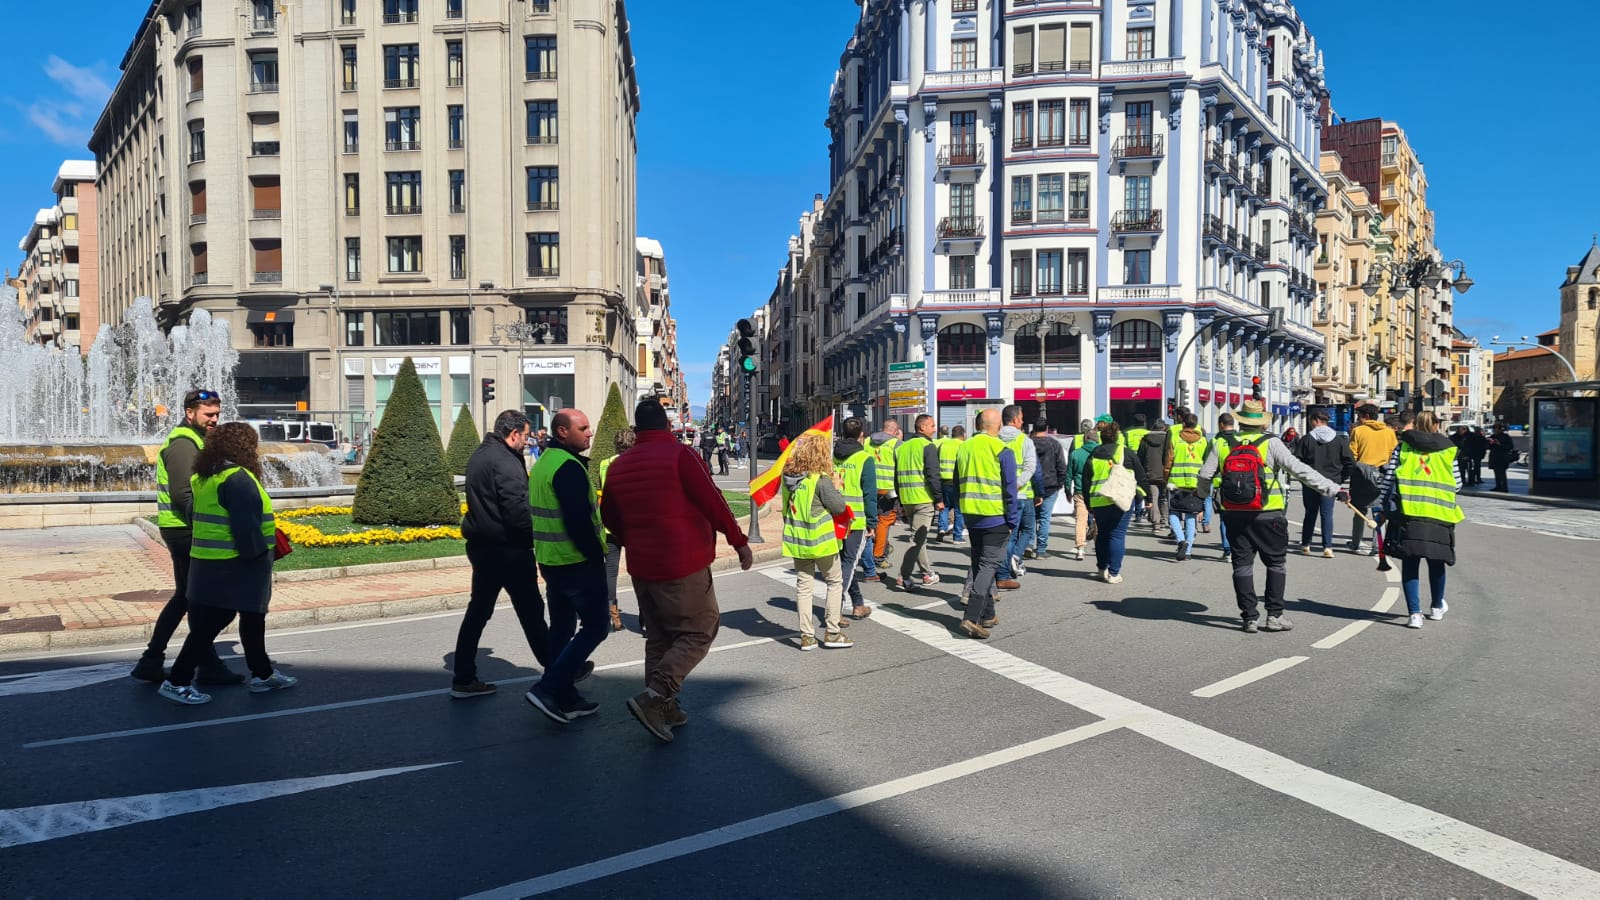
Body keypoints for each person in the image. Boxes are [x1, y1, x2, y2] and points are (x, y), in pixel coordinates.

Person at [601, 399, 752, 743]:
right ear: (667, 426)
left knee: (658, 637)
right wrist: (738, 540)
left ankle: (664, 707)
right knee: (701, 629)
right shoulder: (682, 456)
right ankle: (655, 698)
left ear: (638, 430)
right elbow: (713, 500)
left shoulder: (618, 466)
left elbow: (609, 516)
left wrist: (634, 539)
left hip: (642, 565)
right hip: (682, 562)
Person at [158, 423, 295, 705]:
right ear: (244, 447)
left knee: (251, 617)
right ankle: (178, 680)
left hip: (209, 560)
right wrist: (260, 556)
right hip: (238, 562)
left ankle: (262, 674)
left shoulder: (206, 477)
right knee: (216, 622)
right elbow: (246, 528)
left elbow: (198, 515)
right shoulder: (238, 478)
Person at [1198, 399, 1348, 633]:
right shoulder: (1271, 443)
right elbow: (1299, 470)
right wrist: (1333, 489)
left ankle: (1249, 618)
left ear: (1241, 421)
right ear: (1262, 423)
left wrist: (1206, 498)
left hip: (1235, 513)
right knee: (1276, 564)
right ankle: (1274, 616)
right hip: (1269, 513)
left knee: (1242, 566)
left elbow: (1205, 475)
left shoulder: (1222, 442)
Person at [134, 389, 246, 685]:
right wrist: (210, 523)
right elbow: (184, 494)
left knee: (189, 596)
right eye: (209, 414)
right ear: (190, 413)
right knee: (199, 598)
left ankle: (154, 659)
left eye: (217, 414)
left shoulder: (196, 440)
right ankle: (198, 664)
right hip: (184, 530)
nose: (214, 419)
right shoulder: (184, 444)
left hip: (184, 528)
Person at [452, 410, 557, 698]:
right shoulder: (506, 461)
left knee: (479, 611)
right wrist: (533, 537)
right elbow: (517, 510)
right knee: (531, 610)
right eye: (525, 435)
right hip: (508, 547)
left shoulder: (480, 455)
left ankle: (463, 675)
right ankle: (559, 671)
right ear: (513, 435)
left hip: (482, 545)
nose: (527, 440)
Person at [525, 408, 610, 723]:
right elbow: (578, 523)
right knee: (596, 627)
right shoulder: (568, 467)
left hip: (551, 560)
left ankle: (565, 696)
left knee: (562, 629)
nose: (590, 433)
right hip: (576, 563)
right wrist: (594, 557)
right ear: (563, 432)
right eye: (583, 428)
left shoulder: (545, 463)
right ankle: (549, 688)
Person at [1376, 412, 1463, 629]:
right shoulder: (1448, 450)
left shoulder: (1403, 447)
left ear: (1415, 425)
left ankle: (1414, 614)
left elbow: (1388, 479)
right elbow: (1458, 484)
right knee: (1436, 561)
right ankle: (1436, 607)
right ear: (1435, 426)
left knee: (1410, 562)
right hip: (1439, 514)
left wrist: (1379, 506)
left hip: (1409, 513)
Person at [781, 433, 852, 651]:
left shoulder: (790, 479)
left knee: (804, 587)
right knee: (834, 582)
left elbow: (785, 509)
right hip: (821, 543)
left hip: (798, 541)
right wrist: (837, 486)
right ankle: (832, 632)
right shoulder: (820, 480)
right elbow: (838, 507)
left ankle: (807, 637)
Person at [954, 409, 1017, 639]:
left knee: (979, 561)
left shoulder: (964, 447)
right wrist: (1012, 519)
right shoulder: (1002, 449)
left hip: (971, 513)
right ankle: (971, 616)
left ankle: (988, 614)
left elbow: (956, 481)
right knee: (988, 565)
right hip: (995, 515)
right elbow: (1010, 488)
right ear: (997, 426)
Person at [1080, 420, 1147, 583]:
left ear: (1101, 438)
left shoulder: (1093, 454)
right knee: (1117, 535)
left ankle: (1101, 568)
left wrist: (1088, 504)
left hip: (1098, 500)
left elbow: (1086, 481)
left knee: (1102, 534)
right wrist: (1146, 497)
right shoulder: (1125, 453)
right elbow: (1141, 475)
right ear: (1117, 437)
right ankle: (1114, 573)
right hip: (1120, 499)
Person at [892, 414, 944, 590]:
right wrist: (939, 498)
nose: (934, 429)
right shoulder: (927, 446)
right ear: (922, 428)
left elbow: (896, 477)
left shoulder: (902, 448)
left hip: (907, 498)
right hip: (923, 498)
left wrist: (899, 498)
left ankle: (926, 573)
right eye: (931, 425)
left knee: (919, 538)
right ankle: (905, 576)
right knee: (917, 539)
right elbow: (933, 474)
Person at [833, 417, 878, 619]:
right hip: (855, 520)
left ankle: (858, 603)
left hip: (834, 517)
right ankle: (835, 608)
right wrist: (872, 522)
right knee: (849, 564)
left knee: (843, 562)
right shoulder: (864, 459)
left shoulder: (833, 456)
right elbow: (869, 494)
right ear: (862, 435)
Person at [1294, 409, 1353, 558]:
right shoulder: (1339, 440)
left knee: (1310, 513)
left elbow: (1296, 461)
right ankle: (1327, 547)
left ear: (1314, 421)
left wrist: (1303, 477)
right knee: (1327, 514)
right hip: (1331, 482)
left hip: (1310, 482)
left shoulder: (1307, 439)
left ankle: (1306, 544)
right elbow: (1350, 462)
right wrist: (1340, 479)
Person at [996, 405, 1038, 590]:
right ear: (1014, 420)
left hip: (1001, 494)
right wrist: (1017, 484)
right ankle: (1015, 557)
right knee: (1028, 529)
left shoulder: (995, 438)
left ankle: (1005, 568)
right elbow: (1030, 468)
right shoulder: (1025, 440)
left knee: (1008, 535)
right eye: (1021, 418)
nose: (1022, 421)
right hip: (1022, 494)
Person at [599, 427, 636, 632]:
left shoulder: (605, 464)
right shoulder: (636, 462)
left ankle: (613, 617)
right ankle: (645, 620)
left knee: (610, 571)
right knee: (639, 571)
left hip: (610, 524)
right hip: (632, 525)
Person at [1348, 404, 1398, 554]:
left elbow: (1353, 455)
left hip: (1361, 475)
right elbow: (1393, 453)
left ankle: (1355, 543)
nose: (1358, 418)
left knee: (1359, 510)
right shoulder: (1389, 433)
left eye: (1359, 416)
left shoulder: (1358, 431)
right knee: (1379, 511)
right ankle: (1378, 545)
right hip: (1382, 474)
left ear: (1366, 416)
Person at [1166, 413, 1208, 561]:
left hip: (1176, 482)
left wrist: (1166, 477)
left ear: (1183, 424)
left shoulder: (1175, 438)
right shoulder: (1203, 441)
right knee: (1191, 515)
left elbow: (1169, 460)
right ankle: (1188, 550)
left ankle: (1180, 540)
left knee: (1173, 513)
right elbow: (1206, 462)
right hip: (1195, 483)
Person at [1029, 420, 1070, 558]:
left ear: (1033, 429)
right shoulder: (1054, 444)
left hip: (1031, 485)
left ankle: (1028, 544)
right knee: (1045, 518)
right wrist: (1060, 483)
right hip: (1050, 485)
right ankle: (1041, 549)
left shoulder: (1028, 443)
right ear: (1047, 428)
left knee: (1031, 518)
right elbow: (1061, 466)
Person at [1066, 418, 1100, 561]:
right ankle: (1100, 548)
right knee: (1100, 521)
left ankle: (1080, 548)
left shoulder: (1076, 454)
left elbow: (1069, 474)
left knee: (1081, 521)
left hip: (1080, 491)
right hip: (1098, 492)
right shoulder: (1102, 453)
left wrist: (1068, 490)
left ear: (1085, 439)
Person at [869, 420, 902, 568]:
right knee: (884, 522)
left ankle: (874, 550)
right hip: (888, 491)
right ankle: (878, 556)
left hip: (869, 488)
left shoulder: (867, 441)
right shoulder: (896, 444)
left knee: (871, 521)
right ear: (896, 431)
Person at [1207, 412, 1239, 558]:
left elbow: (1207, 462)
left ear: (1220, 424)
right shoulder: (1242, 438)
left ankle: (1227, 551)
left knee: (1224, 518)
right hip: (1242, 483)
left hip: (1222, 484)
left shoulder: (1215, 441)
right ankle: (1239, 548)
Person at [1135, 418, 1173, 534]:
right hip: (1165, 473)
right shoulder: (1168, 439)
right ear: (1163, 427)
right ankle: (1164, 520)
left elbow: (1140, 457)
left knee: (1153, 498)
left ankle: (1156, 524)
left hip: (1150, 473)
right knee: (1164, 498)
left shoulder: (1145, 440)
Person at [937, 426, 966, 543]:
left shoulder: (943, 445)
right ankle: (957, 536)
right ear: (962, 435)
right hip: (957, 481)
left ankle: (941, 529)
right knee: (958, 509)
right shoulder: (962, 445)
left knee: (944, 506)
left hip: (943, 480)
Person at [1123, 413, 1153, 523]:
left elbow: (1123, 446)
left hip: (1130, 461)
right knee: (1142, 483)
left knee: (1131, 485)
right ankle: (1140, 510)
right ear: (1144, 422)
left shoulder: (1126, 432)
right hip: (1144, 460)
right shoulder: (1149, 433)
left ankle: (1134, 509)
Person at [1487, 422, 1517, 492]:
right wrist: (1490, 443)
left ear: (1500, 430)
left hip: (1503, 457)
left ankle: (1504, 487)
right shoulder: (1492, 436)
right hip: (1494, 457)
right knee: (1496, 473)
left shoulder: (1506, 437)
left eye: (1497, 429)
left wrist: (1499, 444)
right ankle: (1498, 486)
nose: (1495, 430)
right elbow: (1487, 447)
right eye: (1494, 429)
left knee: (1502, 473)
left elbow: (1510, 447)